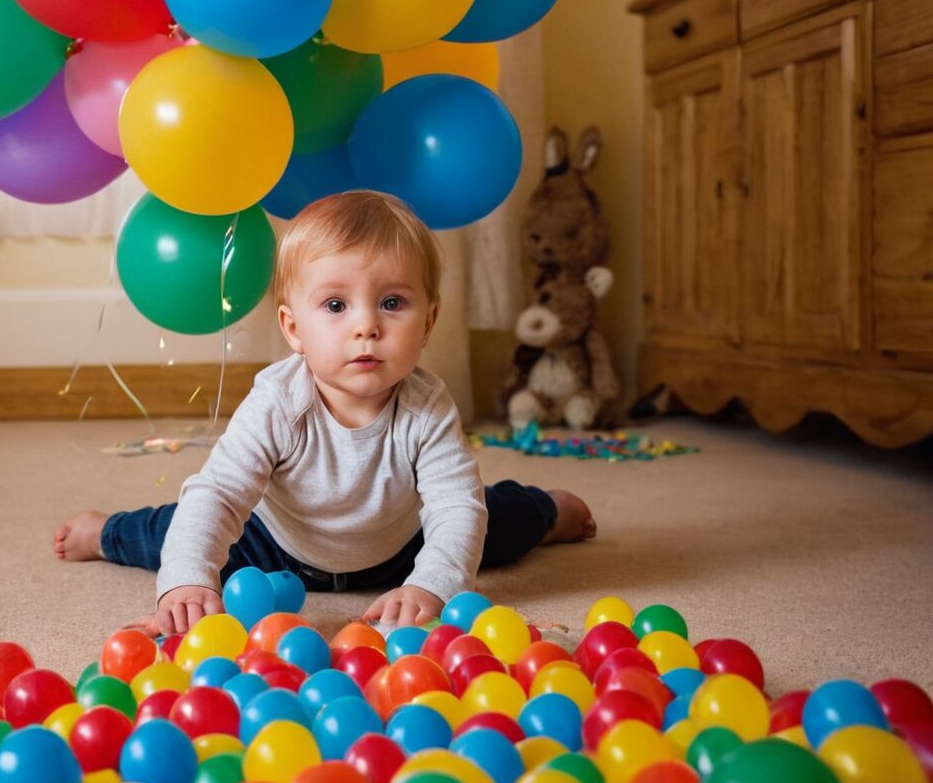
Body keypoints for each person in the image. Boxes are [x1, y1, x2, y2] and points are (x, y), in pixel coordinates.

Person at [55, 191, 596, 634]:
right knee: (173, 530)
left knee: (489, 518)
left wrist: (429, 585)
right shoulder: (277, 400)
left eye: (391, 303)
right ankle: (105, 533)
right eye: (336, 306)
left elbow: (455, 510)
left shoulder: (426, 406)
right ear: (293, 329)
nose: (366, 326)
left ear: (428, 323)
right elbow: (219, 494)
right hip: (277, 544)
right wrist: (186, 581)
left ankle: (547, 512)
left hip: (400, 544)